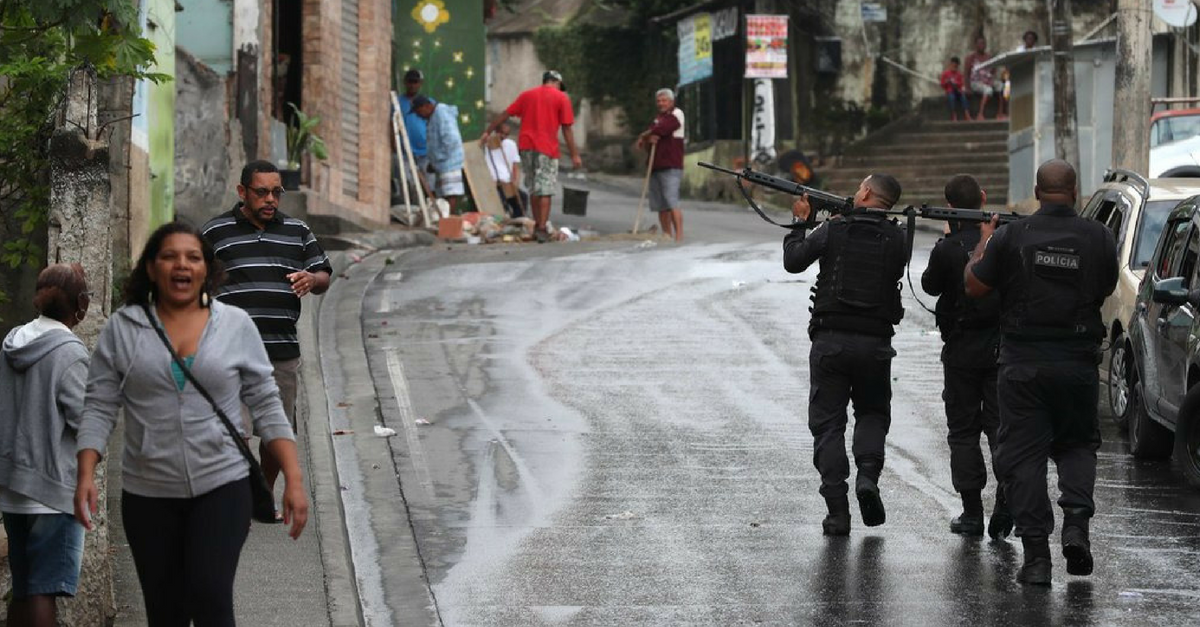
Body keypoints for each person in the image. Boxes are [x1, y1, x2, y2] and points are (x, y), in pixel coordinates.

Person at [74, 221, 309, 625]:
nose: (181, 265)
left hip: (221, 485)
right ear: (151, 268)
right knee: (165, 612)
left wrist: (293, 478)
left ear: (206, 269)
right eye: (169, 256)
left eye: (192, 257)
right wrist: (85, 473)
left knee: (210, 596)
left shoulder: (235, 325)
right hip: (148, 492)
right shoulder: (124, 328)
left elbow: (267, 405)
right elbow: (99, 405)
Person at [964, 159, 1117, 585]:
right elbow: (1104, 285)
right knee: (1077, 446)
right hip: (1077, 365)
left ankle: (1036, 560)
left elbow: (975, 287)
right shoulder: (1100, 237)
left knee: (1024, 457)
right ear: (1075, 190)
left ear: (1036, 191)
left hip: (1023, 366)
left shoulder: (1011, 236)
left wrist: (983, 244)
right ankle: (1076, 529)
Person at [201, 161, 332, 505]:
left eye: (276, 192)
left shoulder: (298, 231)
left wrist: (312, 279)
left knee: (275, 434)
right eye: (262, 192)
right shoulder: (215, 233)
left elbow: (323, 275)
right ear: (242, 192)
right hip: (231, 354)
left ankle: (264, 492)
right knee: (237, 433)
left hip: (281, 352)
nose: (270, 199)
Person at [784, 174, 908, 536]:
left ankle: (837, 512)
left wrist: (801, 222)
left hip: (831, 342)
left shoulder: (834, 230)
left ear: (867, 192)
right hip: (876, 345)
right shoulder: (899, 237)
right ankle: (867, 477)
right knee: (871, 413)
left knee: (828, 425)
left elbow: (794, 261)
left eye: (858, 188)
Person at [920, 175, 1012, 539]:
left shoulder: (947, 249)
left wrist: (950, 237)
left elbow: (929, 285)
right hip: (999, 349)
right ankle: (1007, 496)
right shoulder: (1003, 242)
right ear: (984, 199)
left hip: (960, 350)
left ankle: (972, 512)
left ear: (948, 205)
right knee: (1000, 427)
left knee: (962, 430)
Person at [0, 264, 90, 627]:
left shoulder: (12, 341)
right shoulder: (70, 353)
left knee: (23, 587)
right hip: (52, 491)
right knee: (44, 589)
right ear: (80, 305)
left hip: (12, 488)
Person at [481, 70, 583, 242]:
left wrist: (487, 131)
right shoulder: (561, 98)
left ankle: (538, 226)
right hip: (547, 148)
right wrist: (574, 155)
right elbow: (566, 128)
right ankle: (542, 227)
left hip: (526, 147)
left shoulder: (527, 95)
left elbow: (506, 114)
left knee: (535, 187)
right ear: (556, 82)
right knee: (546, 189)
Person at [636, 88, 686, 241]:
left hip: (671, 165)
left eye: (664, 100)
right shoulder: (658, 118)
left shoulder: (676, 114)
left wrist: (645, 135)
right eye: (658, 101)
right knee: (660, 205)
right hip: (655, 166)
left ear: (671, 101)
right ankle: (667, 235)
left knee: (671, 202)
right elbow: (650, 139)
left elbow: (662, 129)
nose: (661, 103)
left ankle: (678, 237)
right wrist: (647, 139)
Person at [413, 95, 465, 213]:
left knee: (450, 193)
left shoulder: (441, 113)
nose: (418, 115)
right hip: (442, 163)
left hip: (449, 162)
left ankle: (449, 221)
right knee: (442, 194)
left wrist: (438, 158)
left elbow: (451, 140)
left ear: (426, 106)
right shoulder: (433, 116)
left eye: (418, 111)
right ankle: (445, 220)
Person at [398, 69, 435, 197]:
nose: (412, 85)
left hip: (426, 152)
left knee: (430, 185)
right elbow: (391, 126)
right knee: (409, 185)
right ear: (405, 83)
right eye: (410, 82)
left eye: (415, 82)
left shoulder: (429, 103)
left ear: (420, 83)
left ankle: (431, 211)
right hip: (405, 153)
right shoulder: (397, 103)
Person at [485, 121, 526, 218]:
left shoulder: (511, 145)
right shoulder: (490, 143)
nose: (503, 136)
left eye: (506, 134)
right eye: (501, 133)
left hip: (507, 182)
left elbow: (515, 165)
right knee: (501, 198)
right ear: (496, 132)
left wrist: (515, 182)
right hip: (495, 181)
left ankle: (518, 221)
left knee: (522, 197)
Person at [964, 36, 996, 120]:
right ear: (976, 45)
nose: (982, 45)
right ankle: (980, 114)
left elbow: (993, 70)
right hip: (976, 82)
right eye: (980, 43)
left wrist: (991, 80)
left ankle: (1001, 112)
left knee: (1002, 86)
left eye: (984, 43)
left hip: (987, 81)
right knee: (988, 90)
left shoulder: (989, 57)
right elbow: (966, 73)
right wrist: (967, 88)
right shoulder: (971, 58)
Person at [940, 57, 972, 122]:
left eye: (956, 66)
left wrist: (956, 84)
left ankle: (967, 114)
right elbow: (942, 85)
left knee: (963, 97)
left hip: (957, 91)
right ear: (950, 65)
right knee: (951, 98)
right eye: (953, 65)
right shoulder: (945, 74)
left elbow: (961, 84)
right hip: (950, 91)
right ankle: (954, 115)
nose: (954, 67)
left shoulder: (959, 74)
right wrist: (947, 82)